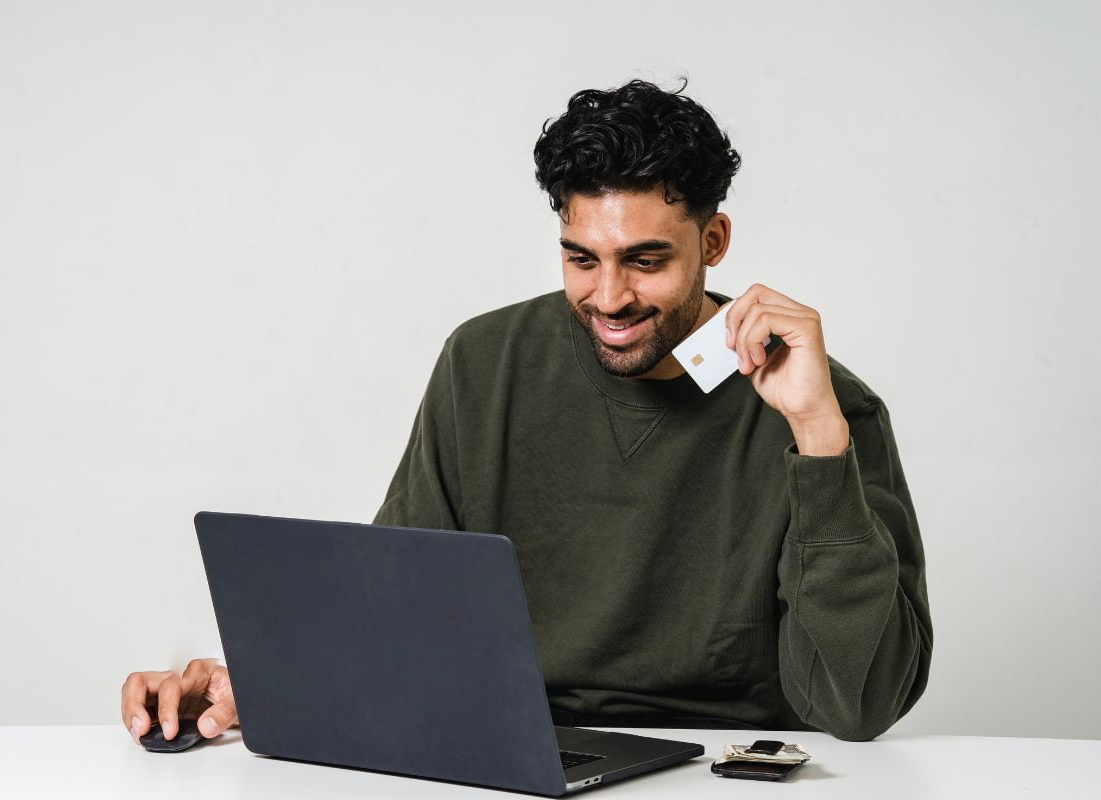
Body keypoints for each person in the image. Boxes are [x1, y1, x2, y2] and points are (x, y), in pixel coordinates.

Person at [121, 78, 932, 745]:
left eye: (646, 261)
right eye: (583, 259)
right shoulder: (485, 363)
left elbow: (859, 706)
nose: (609, 297)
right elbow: (396, 610)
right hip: (515, 752)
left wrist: (819, 441)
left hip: (725, 768)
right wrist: (252, 682)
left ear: (713, 240)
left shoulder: (826, 406)